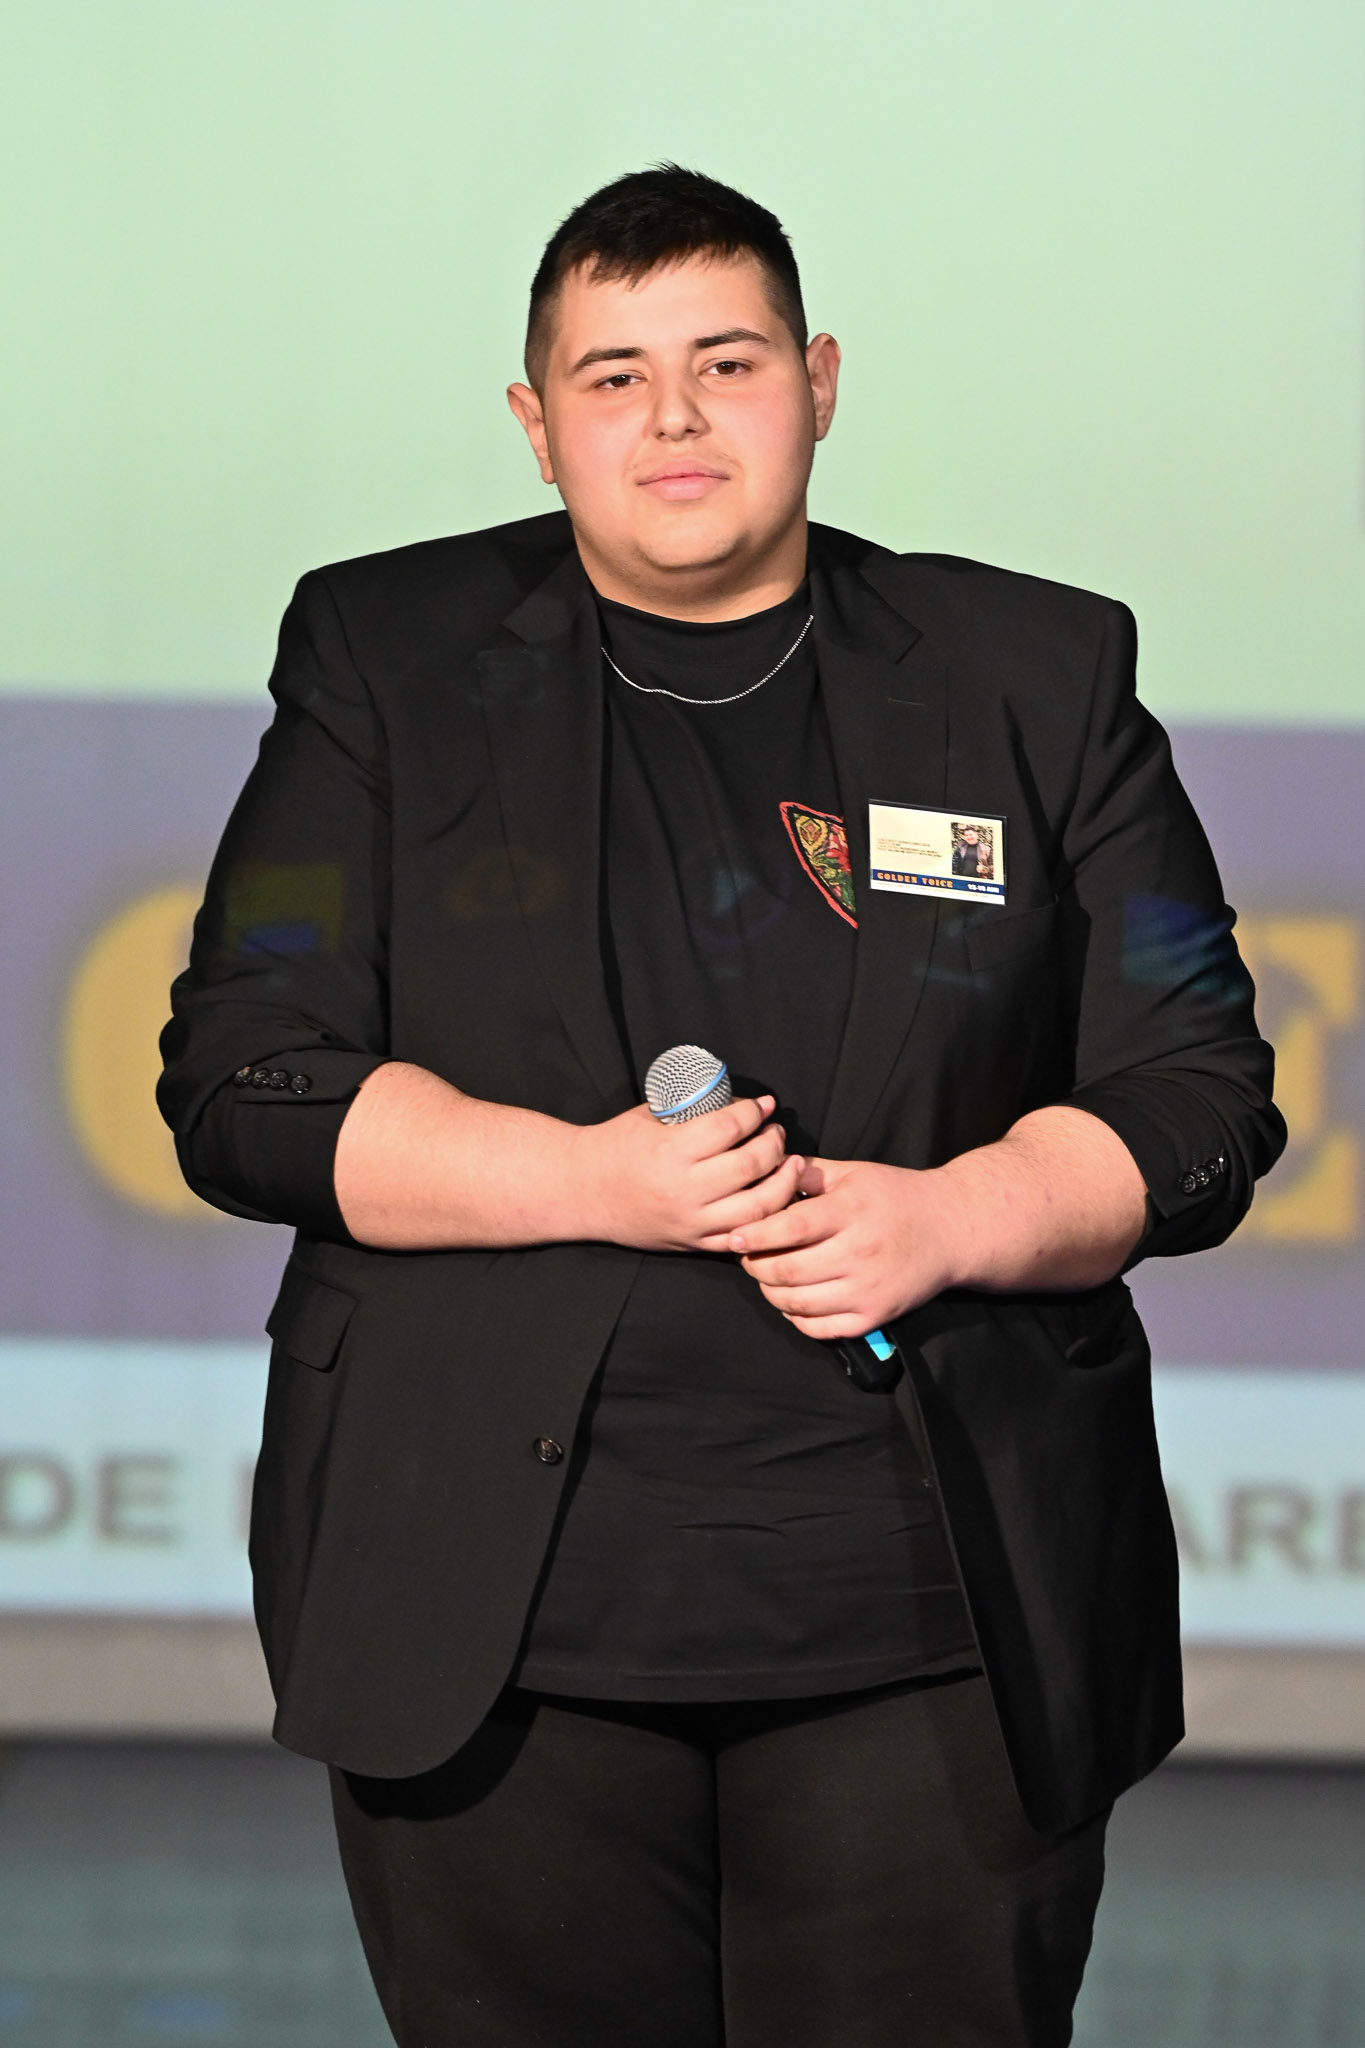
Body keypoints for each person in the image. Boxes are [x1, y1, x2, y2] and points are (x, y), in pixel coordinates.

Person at [158, 166, 1284, 2047]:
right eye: (612, 377)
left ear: (817, 382)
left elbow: (1198, 1093)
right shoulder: (383, 658)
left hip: (934, 1637)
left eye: (726, 362)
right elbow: (244, 1079)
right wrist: (590, 1180)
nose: (672, 419)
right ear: (536, 425)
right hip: (496, 1633)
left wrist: (955, 1216)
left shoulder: (1035, 671)